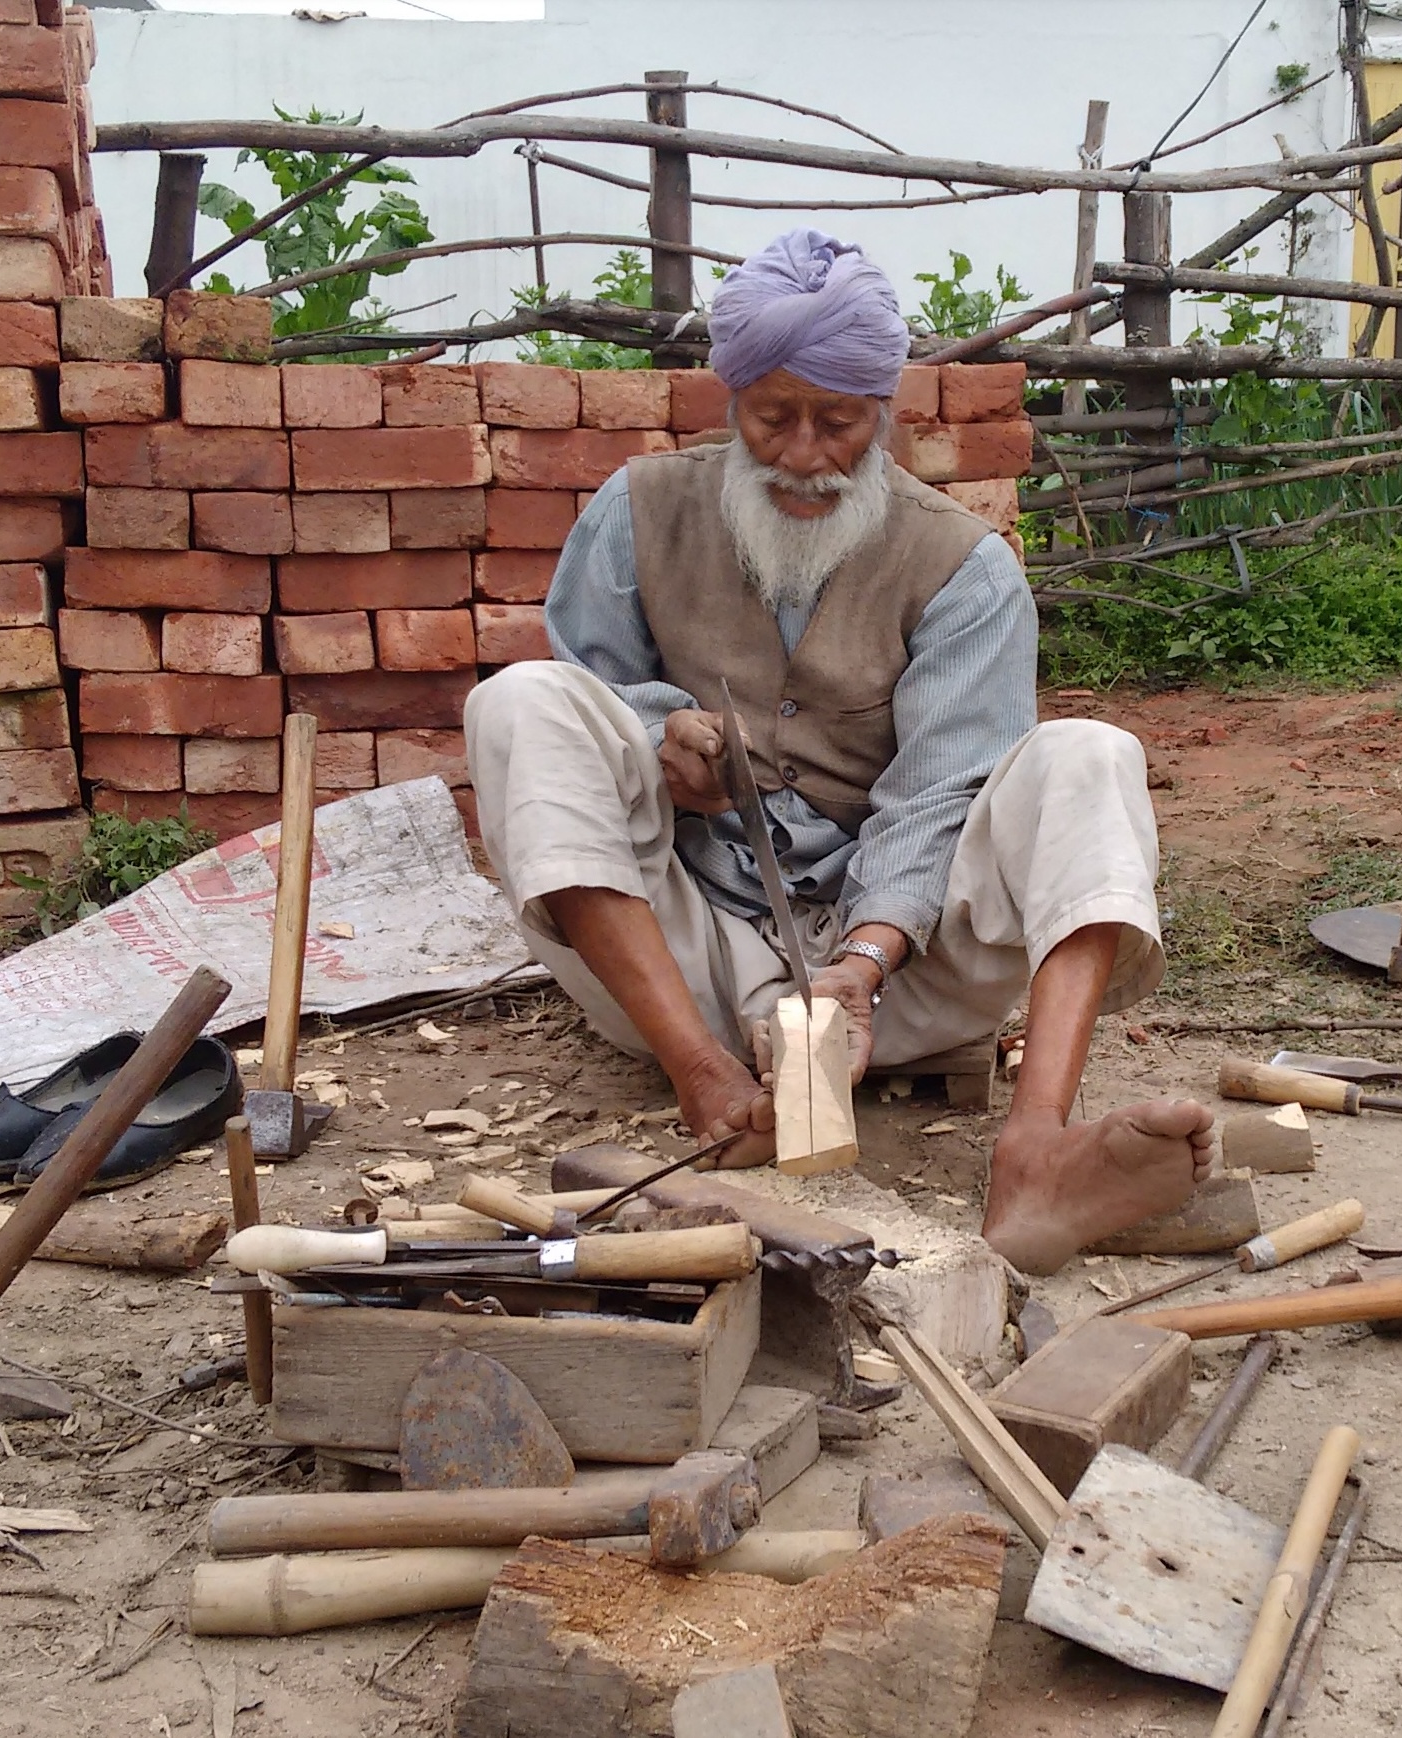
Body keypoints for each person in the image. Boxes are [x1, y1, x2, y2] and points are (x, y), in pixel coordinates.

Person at [463, 227, 1215, 1274]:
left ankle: (1037, 1148)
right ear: (733, 405)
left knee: (1087, 755)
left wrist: (860, 966)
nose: (805, 456)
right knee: (523, 703)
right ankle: (708, 1085)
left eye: (838, 424)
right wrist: (653, 735)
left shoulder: (963, 566)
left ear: (884, 413)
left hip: (900, 989)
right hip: (695, 964)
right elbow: (589, 687)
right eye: (774, 420)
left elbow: (939, 796)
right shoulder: (635, 515)